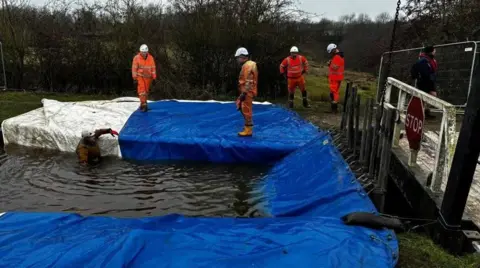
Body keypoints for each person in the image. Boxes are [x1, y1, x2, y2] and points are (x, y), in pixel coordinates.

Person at [235, 47, 258, 137]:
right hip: (246, 91)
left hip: (247, 91)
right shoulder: (248, 65)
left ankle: (248, 130)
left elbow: (249, 81)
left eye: (237, 58)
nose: (237, 60)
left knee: (246, 110)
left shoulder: (247, 66)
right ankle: (247, 127)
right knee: (240, 105)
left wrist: (244, 93)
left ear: (242, 57)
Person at [411, 45, 438, 118]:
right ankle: (422, 112)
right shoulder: (423, 60)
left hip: (430, 81)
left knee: (431, 96)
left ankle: (425, 112)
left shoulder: (431, 60)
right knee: (428, 96)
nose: (435, 51)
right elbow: (414, 69)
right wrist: (417, 77)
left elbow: (432, 70)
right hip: (424, 81)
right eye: (434, 50)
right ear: (431, 51)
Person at [132, 44, 157, 112]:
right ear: (140, 51)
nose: (144, 53)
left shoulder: (150, 58)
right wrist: (135, 78)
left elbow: (153, 68)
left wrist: (154, 77)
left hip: (148, 77)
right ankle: (144, 105)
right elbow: (134, 69)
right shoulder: (136, 58)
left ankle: (143, 103)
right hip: (140, 76)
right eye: (142, 52)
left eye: (145, 52)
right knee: (142, 91)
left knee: (146, 91)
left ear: (147, 52)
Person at [326, 43, 345, 113]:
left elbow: (335, 67)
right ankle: (334, 108)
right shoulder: (340, 56)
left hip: (335, 78)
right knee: (333, 92)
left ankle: (334, 109)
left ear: (333, 50)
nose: (331, 54)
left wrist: (329, 64)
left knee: (334, 93)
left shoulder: (337, 57)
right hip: (338, 77)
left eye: (331, 52)